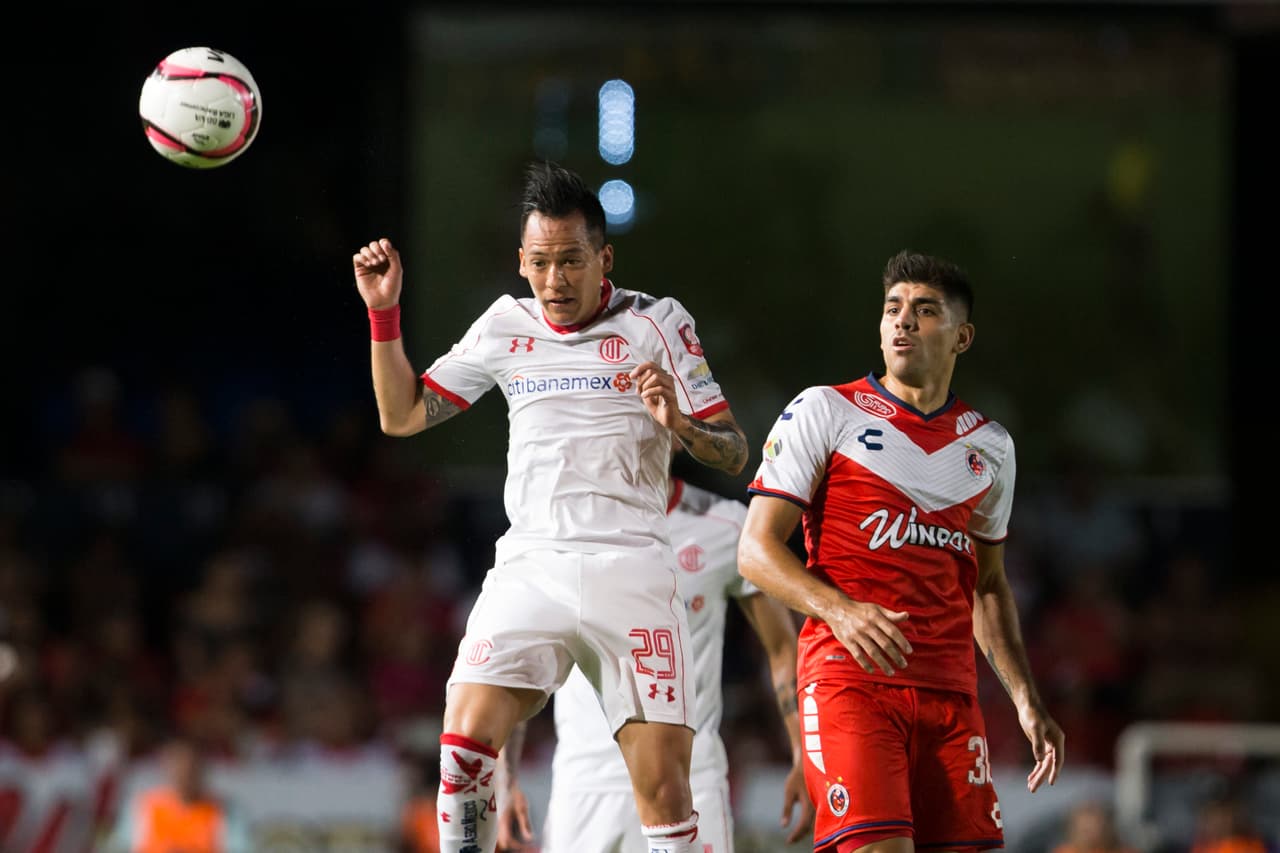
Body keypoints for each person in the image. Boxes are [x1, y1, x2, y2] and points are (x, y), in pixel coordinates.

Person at [352, 161, 749, 853]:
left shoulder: (659, 322)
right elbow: (402, 413)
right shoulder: (506, 325)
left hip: (631, 570)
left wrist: (680, 425)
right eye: (540, 263)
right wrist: (383, 311)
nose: (556, 280)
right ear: (521, 262)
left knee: (665, 795)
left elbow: (735, 450)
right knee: (464, 741)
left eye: (571, 261)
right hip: (533, 564)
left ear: (605, 257)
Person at [736, 250, 1065, 853]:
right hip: (849, 683)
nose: (903, 321)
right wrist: (839, 609)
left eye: (924, 310)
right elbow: (756, 552)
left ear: (962, 336)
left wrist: (1025, 698)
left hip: (951, 698)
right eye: (893, 308)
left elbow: (986, 585)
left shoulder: (990, 447)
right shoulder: (825, 410)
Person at [494, 454, 815, 852]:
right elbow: (518, 661)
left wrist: (805, 756)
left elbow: (785, 647)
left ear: (676, 435)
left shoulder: (726, 525)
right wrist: (503, 781)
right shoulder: (558, 525)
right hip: (587, 786)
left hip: (692, 779)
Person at [105, 734, 251, 852]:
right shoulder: (142, 807)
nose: (184, 774)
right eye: (178, 765)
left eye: (191, 766)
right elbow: (119, 847)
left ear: (202, 769)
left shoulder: (224, 810)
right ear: (166, 767)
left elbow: (240, 848)